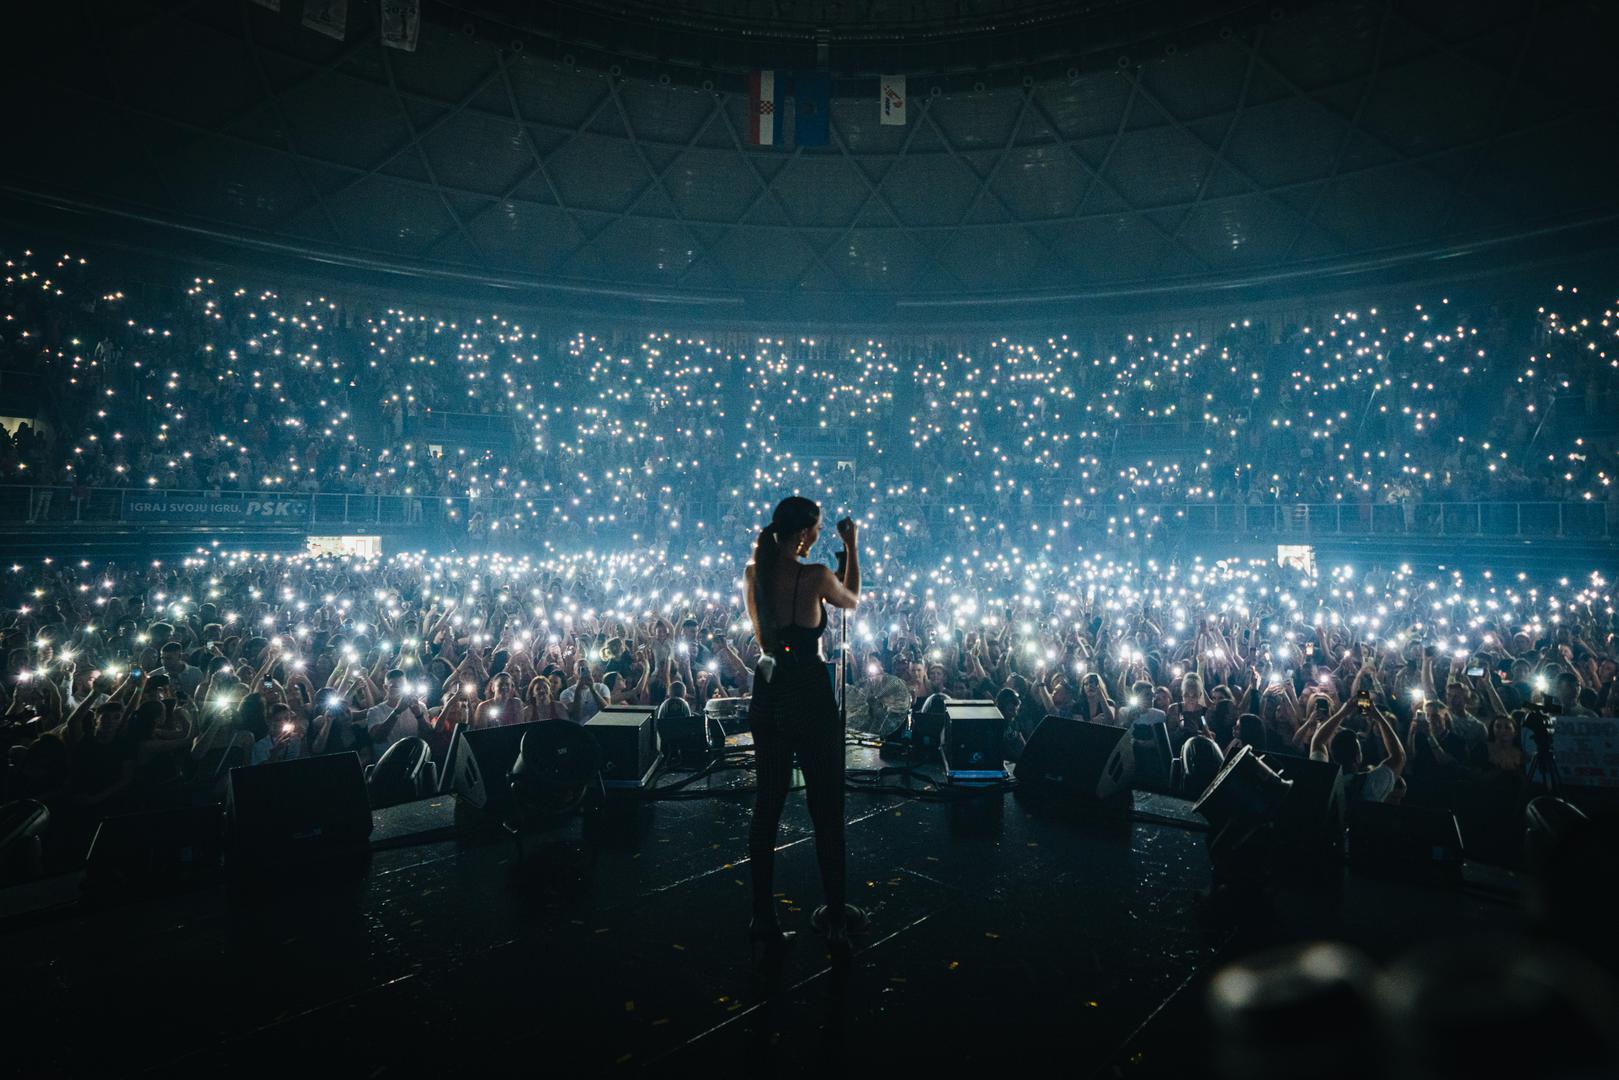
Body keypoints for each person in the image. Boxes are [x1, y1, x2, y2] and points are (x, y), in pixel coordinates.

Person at [743, 496, 866, 954]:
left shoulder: (754, 573)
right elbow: (851, 599)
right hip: (810, 696)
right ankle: (835, 918)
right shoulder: (814, 576)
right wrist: (851, 548)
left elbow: (762, 633)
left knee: (767, 805)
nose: (819, 534)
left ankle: (762, 915)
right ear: (804, 534)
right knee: (826, 807)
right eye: (816, 528)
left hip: (770, 689)